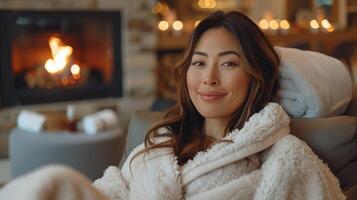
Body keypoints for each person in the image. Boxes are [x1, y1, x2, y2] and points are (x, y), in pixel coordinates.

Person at [0, 10, 345, 200]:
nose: (208, 78)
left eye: (228, 63)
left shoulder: (284, 157)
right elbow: (111, 190)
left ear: (256, 76)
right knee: (53, 181)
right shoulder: (158, 145)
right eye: (198, 63)